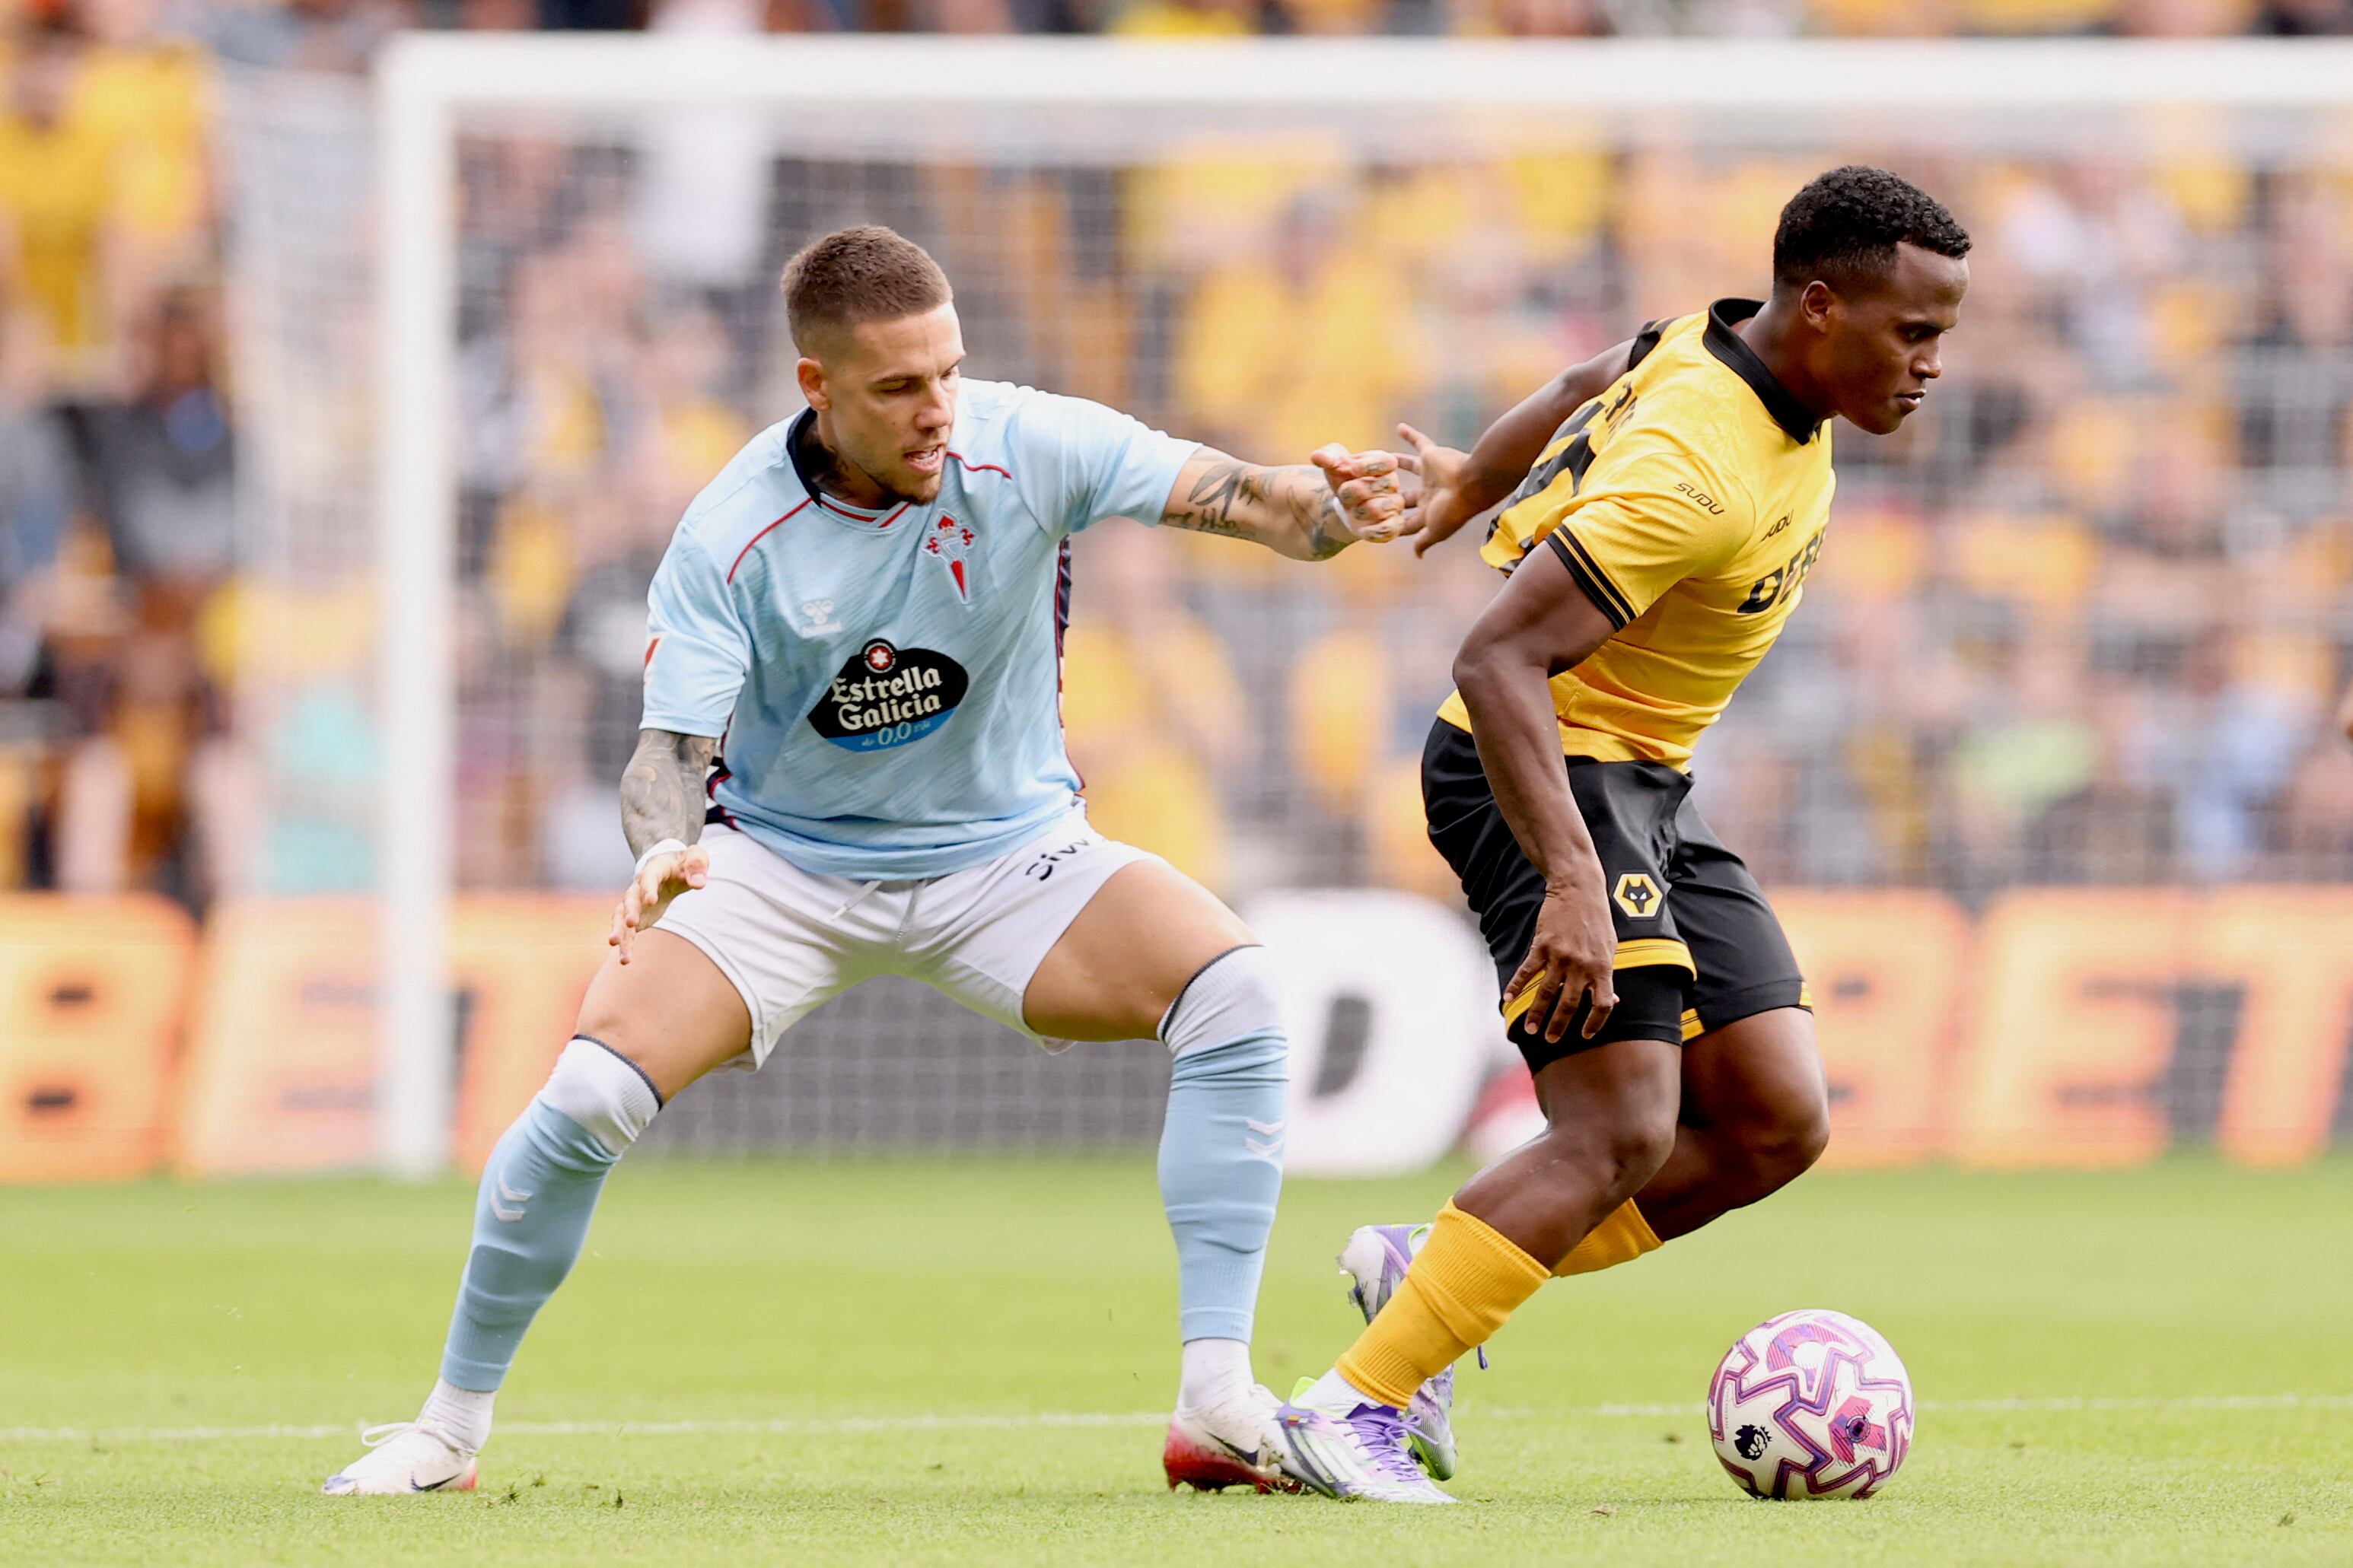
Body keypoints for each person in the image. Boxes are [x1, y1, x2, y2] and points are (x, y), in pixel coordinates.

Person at [322, 224, 1412, 1496]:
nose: (937, 407)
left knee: (1239, 991)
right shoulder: (732, 531)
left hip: (1010, 855)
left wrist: (1334, 507)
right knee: (586, 1098)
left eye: (948, 369)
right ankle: (447, 1432)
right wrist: (667, 847)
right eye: (899, 386)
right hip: (782, 868)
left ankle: (1218, 1401)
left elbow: (1267, 503)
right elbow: (667, 751)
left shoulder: (1023, 441)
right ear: (816, 387)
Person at [1275, 166, 1972, 1503]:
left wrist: (1468, 479)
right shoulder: (1698, 474)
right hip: (1540, 769)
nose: (1933, 363)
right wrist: (1575, 882)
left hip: (1643, 776)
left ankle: (1436, 1268)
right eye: (1915, 332)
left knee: (1774, 1119)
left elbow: (1597, 368)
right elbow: (1495, 661)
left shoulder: (1722, 353)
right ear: (1822, 308)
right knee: (1620, 1132)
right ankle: (1347, 1408)